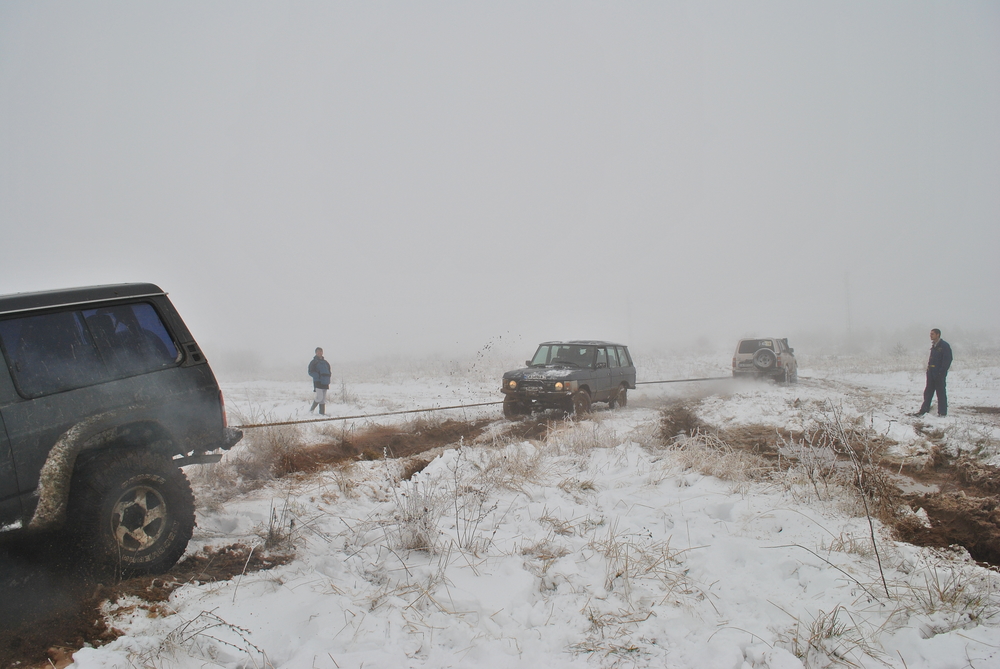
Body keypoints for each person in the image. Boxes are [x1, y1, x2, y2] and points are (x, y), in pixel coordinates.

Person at [914, 329, 953, 417]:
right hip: (931, 373)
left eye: (932, 334)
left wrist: (941, 372)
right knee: (928, 392)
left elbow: (947, 360)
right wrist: (928, 370)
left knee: (941, 393)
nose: (930, 336)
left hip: (939, 374)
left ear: (938, 334)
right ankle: (924, 410)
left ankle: (942, 412)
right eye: (930, 334)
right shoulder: (934, 346)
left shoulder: (944, 346)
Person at [308, 347, 332, 415]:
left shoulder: (326, 362)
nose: (319, 353)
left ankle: (322, 413)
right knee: (319, 397)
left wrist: (328, 377)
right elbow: (310, 372)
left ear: (322, 352)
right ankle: (311, 410)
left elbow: (329, 371)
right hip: (318, 382)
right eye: (318, 352)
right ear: (316, 353)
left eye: (320, 351)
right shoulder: (313, 362)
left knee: (323, 399)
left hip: (325, 382)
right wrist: (317, 376)